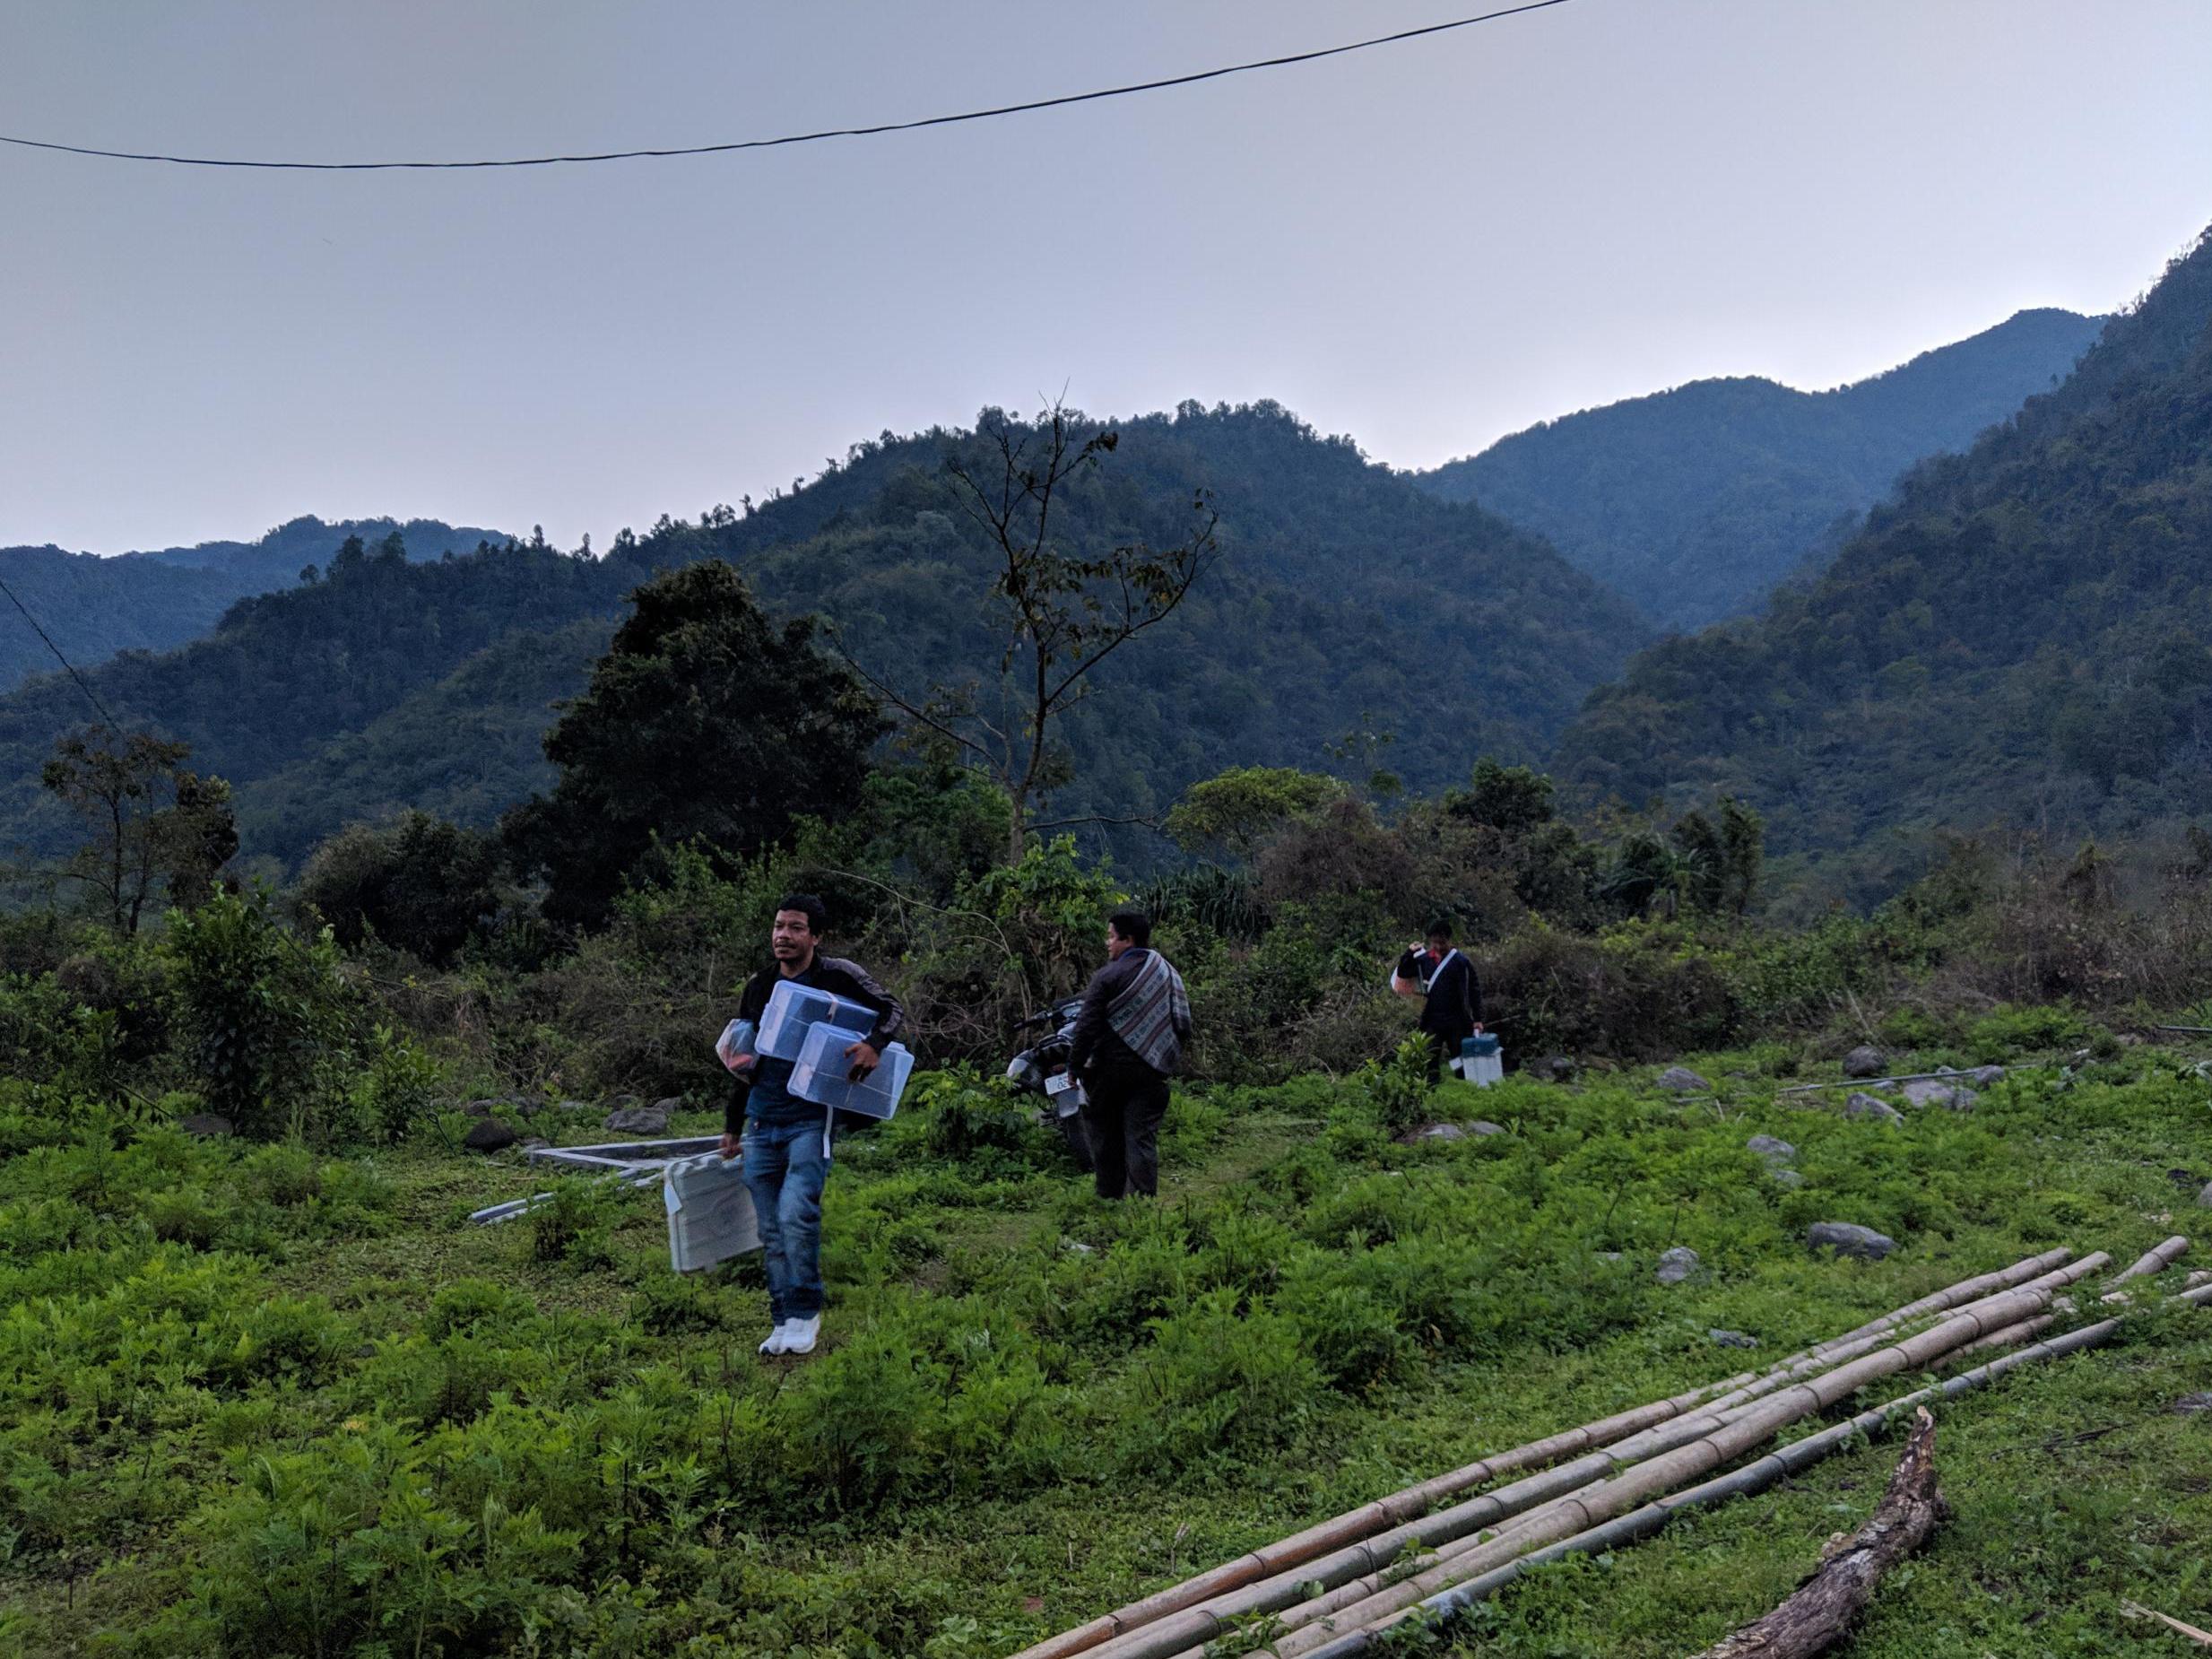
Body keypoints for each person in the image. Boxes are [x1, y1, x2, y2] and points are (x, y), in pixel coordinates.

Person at [718, 893, 904, 1358]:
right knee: (769, 1229)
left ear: (816, 936)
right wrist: (733, 1123)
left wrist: (874, 1045)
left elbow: (891, 1010)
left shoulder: (837, 977)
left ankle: (806, 1312)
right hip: (762, 1119)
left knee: (795, 1216)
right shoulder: (760, 986)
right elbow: (747, 1060)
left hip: (808, 1118)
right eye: (778, 926)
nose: (783, 935)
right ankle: (783, 1318)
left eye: (796, 928)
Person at [1068, 909, 1193, 1200]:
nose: (1107, 943)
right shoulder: (1165, 971)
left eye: (1111, 937)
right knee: (1141, 1138)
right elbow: (1182, 1023)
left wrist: (1074, 1066)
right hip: (1151, 1070)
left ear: (1128, 940)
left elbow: (1087, 1026)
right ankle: (1142, 1203)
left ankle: (1109, 1198)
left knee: (1104, 1135)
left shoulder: (1107, 976)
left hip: (1108, 1071)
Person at [1391, 916, 1483, 1084]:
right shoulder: (1424, 960)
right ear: (1430, 941)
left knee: (1458, 1057)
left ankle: (1461, 1084)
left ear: (1448, 940)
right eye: (1435, 943)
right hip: (1432, 1019)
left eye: (1442, 943)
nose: (1438, 947)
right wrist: (1409, 952)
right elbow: (1403, 972)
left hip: (1457, 1019)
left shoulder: (1460, 961)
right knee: (1430, 1056)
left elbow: (1473, 989)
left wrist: (1477, 1019)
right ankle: (1432, 1087)